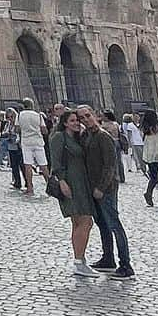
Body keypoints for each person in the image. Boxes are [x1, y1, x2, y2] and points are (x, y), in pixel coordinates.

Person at [77, 105, 135, 279]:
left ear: (94, 115)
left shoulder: (104, 136)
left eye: (87, 115)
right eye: (81, 118)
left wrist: (101, 188)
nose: (85, 119)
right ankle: (108, 258)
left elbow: (110, 165)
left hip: (106, 189)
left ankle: (125, 264)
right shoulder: (86, 135)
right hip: (93, 188)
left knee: (114, 224)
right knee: (102, 224)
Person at [48, 109, 97, 277]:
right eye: (73, 120)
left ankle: (80, 260)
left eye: (78, 120)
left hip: (81, 183)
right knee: (85, 221)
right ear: (65, 123)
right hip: (70, 183)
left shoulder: (76, 137)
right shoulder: (59, 138)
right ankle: (78, 261)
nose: (77, 123)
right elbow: (55, 162)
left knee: (78, 222)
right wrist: (62, 182)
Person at [17, 98, 49, 195]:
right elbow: (44, 130)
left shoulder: (20, 115)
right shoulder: (38, 115)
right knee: (43, 166)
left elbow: (16, 129)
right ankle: (50, 186)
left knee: (28, 165)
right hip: (38, 141)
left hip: (26, 142)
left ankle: (30, 188)